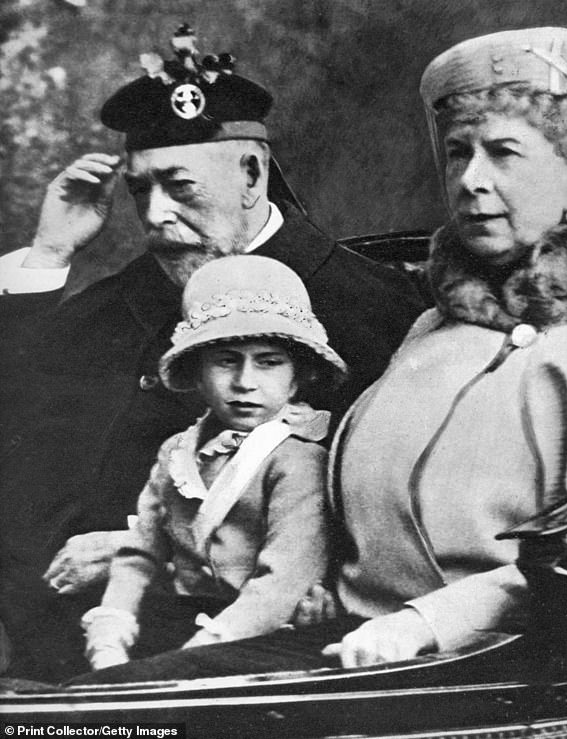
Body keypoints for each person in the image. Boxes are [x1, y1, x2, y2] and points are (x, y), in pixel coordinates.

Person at [71, 26, 567, 684]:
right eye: (458, 153)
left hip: (492, 665)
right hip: (346, 637)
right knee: (87, 695)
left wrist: (419, 622)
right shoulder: (431, 324)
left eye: (503, 153)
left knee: (112, 708)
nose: (471, 180)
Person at [0, 26, 424, 681]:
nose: (155, 215)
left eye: (179, 186)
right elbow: (15, 405)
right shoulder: (129, 295)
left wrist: (140, 552)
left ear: (252, 175)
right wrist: (50, 255)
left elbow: (388, 525)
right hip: (49, 645)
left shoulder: (375, 309)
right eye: (141, 191)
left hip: (236, 657)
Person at [81, 255, 346, 671]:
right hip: (180, 621)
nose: (244, 381)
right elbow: (140, 553)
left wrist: (191, 659)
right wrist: (111, 631)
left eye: (269, 361)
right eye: (226, 360)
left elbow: (279, 587)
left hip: (260, 635)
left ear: (298, 377)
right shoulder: (177, 452)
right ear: (198, 373)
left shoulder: (298, 460)